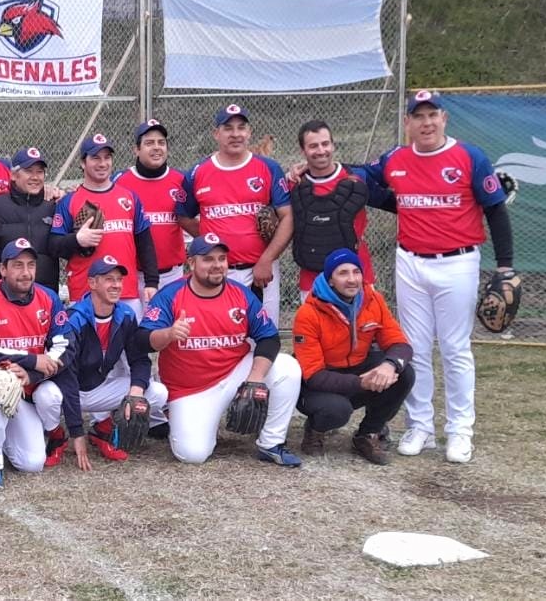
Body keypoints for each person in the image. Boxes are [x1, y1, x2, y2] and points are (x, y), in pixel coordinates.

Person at [361, 90, 515, 463]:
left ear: (444, 119)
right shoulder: (396, 159)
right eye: (418, 116)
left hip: (457, 262)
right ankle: (421, 426)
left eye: (433, 115)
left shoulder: (469, 157)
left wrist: (506, 265)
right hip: (410, 261)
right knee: (413, 346)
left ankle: (460, 431)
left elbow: (495, 210)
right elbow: (368, 180)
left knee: (455, 348)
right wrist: (322, 168)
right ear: (408, 123)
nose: (426, 122)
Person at [140, 234, 303, 467]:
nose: (217, 265)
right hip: (191, 389)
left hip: (236, 372)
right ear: (191, 263)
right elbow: (142, 340)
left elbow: (268, 338)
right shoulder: (171, 295)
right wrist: (168, 334)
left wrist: (255, 379)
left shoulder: (240, 293)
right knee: (192, 454)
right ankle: (202, 421)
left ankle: (271, 443)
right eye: (208, 259)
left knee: (288, 367)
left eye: (222, 258)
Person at [293, 249, 415, 465]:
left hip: (357, 369)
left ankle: (368, 434)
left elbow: (400, 343)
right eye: (343, 273)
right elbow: (312, 374)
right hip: (319, 382)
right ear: (330, 280)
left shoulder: (373, 299)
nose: (352, 280)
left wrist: (389, 365)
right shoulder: (308, 313)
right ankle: (315, 429)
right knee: (338, 410)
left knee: (404, 373)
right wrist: (361, 383)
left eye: (356, 272)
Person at [180, 105, 292, 325]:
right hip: (218, 272)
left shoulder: (268, 167)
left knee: (265, 335)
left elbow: (288, 217)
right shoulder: (198, 171)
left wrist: (267, 259)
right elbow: (183, 215)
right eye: (228, 128)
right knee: (219, 335)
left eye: (241, 128)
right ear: (216, 134)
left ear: (249, 132)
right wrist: (208, 237)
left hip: (261, 271)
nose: (235, 134)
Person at [0, 238, 71, 476]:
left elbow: (65, 346)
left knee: (32, 464)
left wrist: (33, 373)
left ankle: (22, 433)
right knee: (0, 381)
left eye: (31, 265)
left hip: (31, 386)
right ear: (3, 269)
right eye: (17, 265)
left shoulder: (48, 298)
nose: (26, 273)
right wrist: (32, 360)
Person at [46, 255, 156, 470]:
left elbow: (139, 359)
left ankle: (102, 430)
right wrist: (77, 432)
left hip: (98, 388)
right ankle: (57, 435)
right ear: (92, 283)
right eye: (108, 279)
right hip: (69, 391)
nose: (116, 285)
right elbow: (66, 373)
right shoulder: (74, 317)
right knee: (45, 396)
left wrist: (135, 392)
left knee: (155, 391)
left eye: (119, 279)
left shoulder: (125, 315)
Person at [50, 133, 159, 315]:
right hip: (85, 293)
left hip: (125, 293)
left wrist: (151, 282)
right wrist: (77, 240)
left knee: (127, 343)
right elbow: (53, 246)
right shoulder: (69, 201)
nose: (102, 163)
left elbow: (145, 243)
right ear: (83, 163)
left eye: (107, 157)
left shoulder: (129, 197)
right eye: (95, 158)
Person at [289, 120, 381, 301]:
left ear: (333, 145)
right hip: (313, 277)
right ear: (303, 151)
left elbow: (396, 199)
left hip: (356, 275)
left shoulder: (358, 178)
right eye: (313, 146)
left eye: (325, 144)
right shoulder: (293, 183)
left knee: (362, 329)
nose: (321, 151)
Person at [113, 119, 196, 290]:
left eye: (161, 143)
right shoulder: (119, 181)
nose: (156, 147)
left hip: (173, 274)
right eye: (149, 143)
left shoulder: (181, 180)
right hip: (132, 275)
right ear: (136, 149)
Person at [0, 147, 59, 291]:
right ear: (14, 175)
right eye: (28, 171)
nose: (35, 177)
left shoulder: (54, 204)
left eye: (39, 172)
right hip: (5, 294)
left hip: (45, 294)